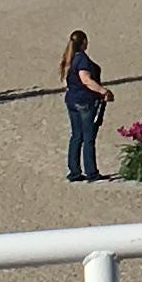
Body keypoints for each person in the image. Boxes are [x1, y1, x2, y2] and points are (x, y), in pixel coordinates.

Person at [61, 29, 110, 183]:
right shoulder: (81, 59)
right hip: (85, 101)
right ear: (83, 42)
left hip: (72, 100)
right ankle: (91, 172)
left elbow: (65, 81)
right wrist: (103, 91)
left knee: (76, 136)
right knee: (88, 137)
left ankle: (74, 171)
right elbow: (86, 79)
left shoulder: (69, 59)